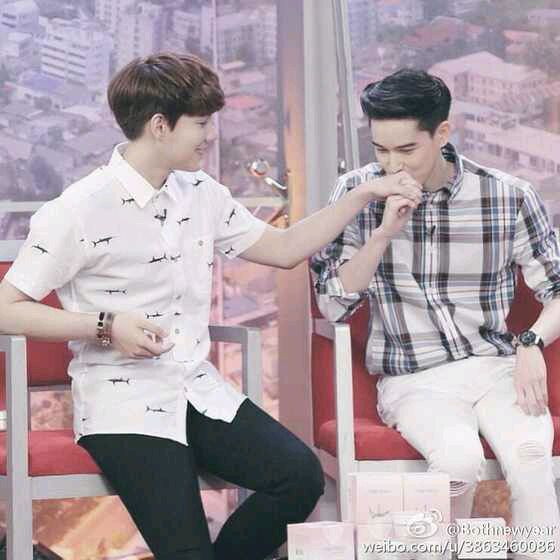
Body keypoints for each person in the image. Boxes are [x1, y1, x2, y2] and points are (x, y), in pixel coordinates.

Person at [0, 53, 421, 560]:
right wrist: (105, 325)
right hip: (124, 406)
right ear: (160, 126)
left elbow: (284, 249)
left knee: (299, 477)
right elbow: (6, 308)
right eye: (200, 124)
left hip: (196, 388)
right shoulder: (76, 210)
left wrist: (363, 195)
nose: (210, 136)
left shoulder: (200, 191)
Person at [311, 68, 560, 559]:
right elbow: (332, 303)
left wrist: (531, 343)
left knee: (531, 459)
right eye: (380, 150)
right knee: (459, 462)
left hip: (496, 369)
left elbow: (556, 289)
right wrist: (383, 233)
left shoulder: (508, 195)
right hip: (414, 378)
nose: (391, 164)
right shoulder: (357, 193)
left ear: (442, 133)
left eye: (406, 150)